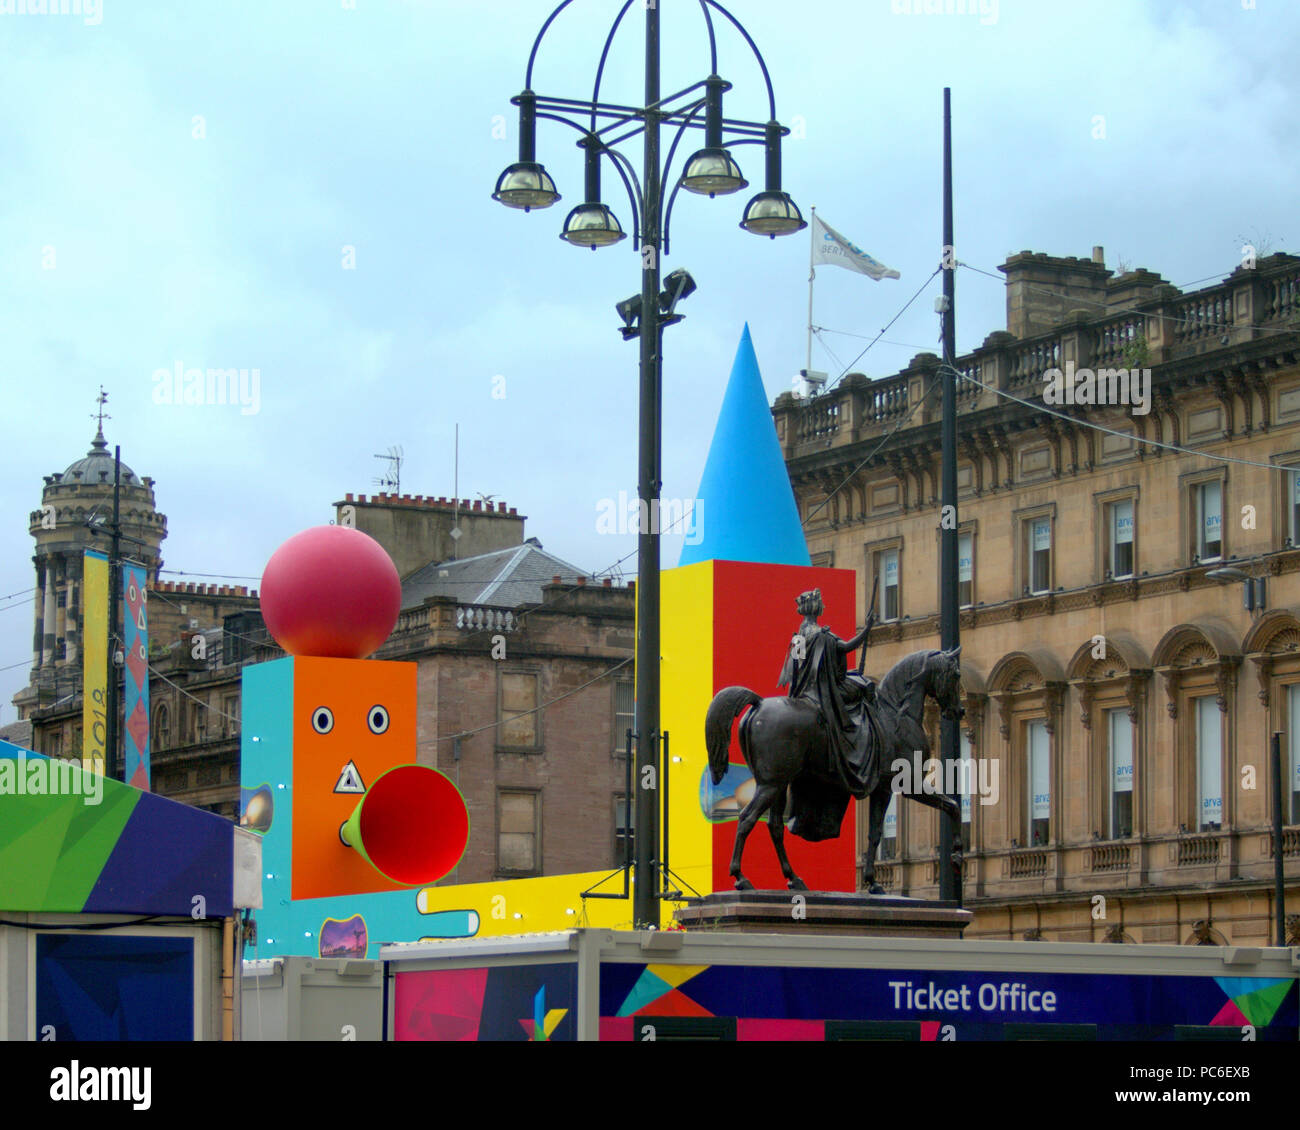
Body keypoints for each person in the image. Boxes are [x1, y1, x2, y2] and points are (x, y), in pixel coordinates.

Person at [777, 589, 881, 840]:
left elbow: (795, 671)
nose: (824, 604)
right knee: (866, 689)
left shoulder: (799, 635)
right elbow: (846, 647)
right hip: (823, 691)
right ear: (816, 607)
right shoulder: (821, 634)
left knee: (857, 678)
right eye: (821, 602)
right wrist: (866, 631)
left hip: (803, 691)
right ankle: (857, 742)